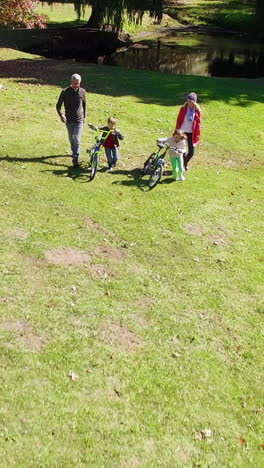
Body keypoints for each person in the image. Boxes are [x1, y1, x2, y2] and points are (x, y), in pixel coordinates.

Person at [56, 73, 86, 168]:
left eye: (77, 83)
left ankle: (75, 160)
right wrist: (61, 115)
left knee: (77, 139)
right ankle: (75, 152)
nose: (76, 85)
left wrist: (84, 116)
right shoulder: (65, 91)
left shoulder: (82, 91)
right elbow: (58, 106)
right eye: (74, 83)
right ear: (71, 82)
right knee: (71, 139)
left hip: (79, 120)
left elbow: (84, 105)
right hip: (69, 120)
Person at [175, 92, 201, 171]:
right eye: (188, 101)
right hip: (182, 132)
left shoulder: (197, 111)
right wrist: (177, 130)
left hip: (191, 133)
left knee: (191, 152)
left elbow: (198, 124)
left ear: (194, 102)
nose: (189, 103)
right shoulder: (183, 109)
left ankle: (184, 163)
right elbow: (179, 121)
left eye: (191, 101)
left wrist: (198, 135)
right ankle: (182, 165)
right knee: (182, 150)